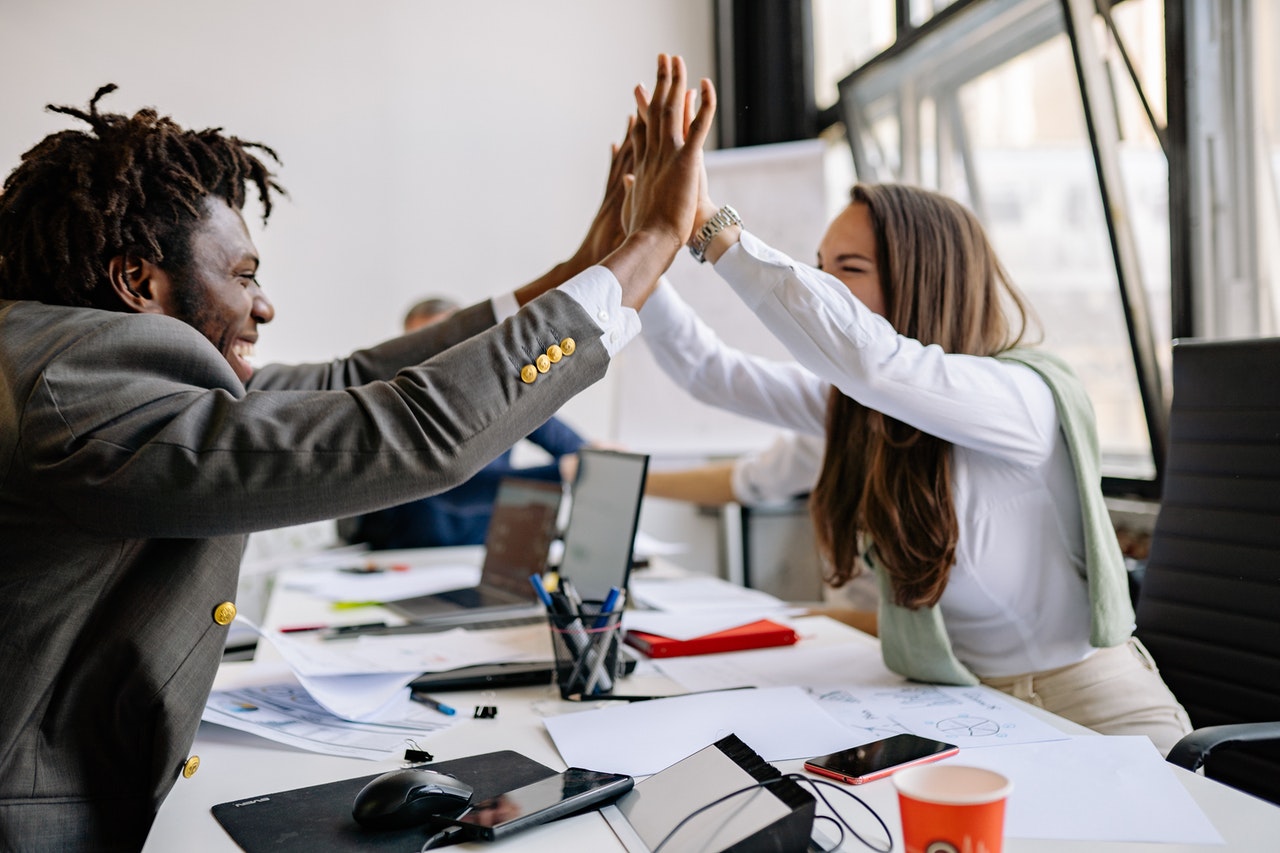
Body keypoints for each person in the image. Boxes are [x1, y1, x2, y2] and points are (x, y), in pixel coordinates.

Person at [0, 54, 714, 851]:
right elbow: (408, 431)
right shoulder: (74, 388)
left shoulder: (63, 354)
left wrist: (581, 272)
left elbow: (349, 380)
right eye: (243, 274)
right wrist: (653, 240)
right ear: (139, 280)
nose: (263, 304)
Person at [636, 138, 1192, 754]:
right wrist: (641, 253)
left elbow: (873, 361)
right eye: (819, 268)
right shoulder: (857, 407)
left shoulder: (1019, 396)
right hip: (969, 704)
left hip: (1096, 706)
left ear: (924, 281)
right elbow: (709, 373)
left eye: (848, 269)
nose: (824, 290)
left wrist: (714, 232)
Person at [344, 296, 586, 549]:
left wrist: (593, 457)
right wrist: (558, 472)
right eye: (419, 347)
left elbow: (570, 444)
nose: (433, 359)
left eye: (442, 344)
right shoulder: (398, 406)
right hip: (406, 553)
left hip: (476, 552)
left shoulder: (500, 392)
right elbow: (459, 486)